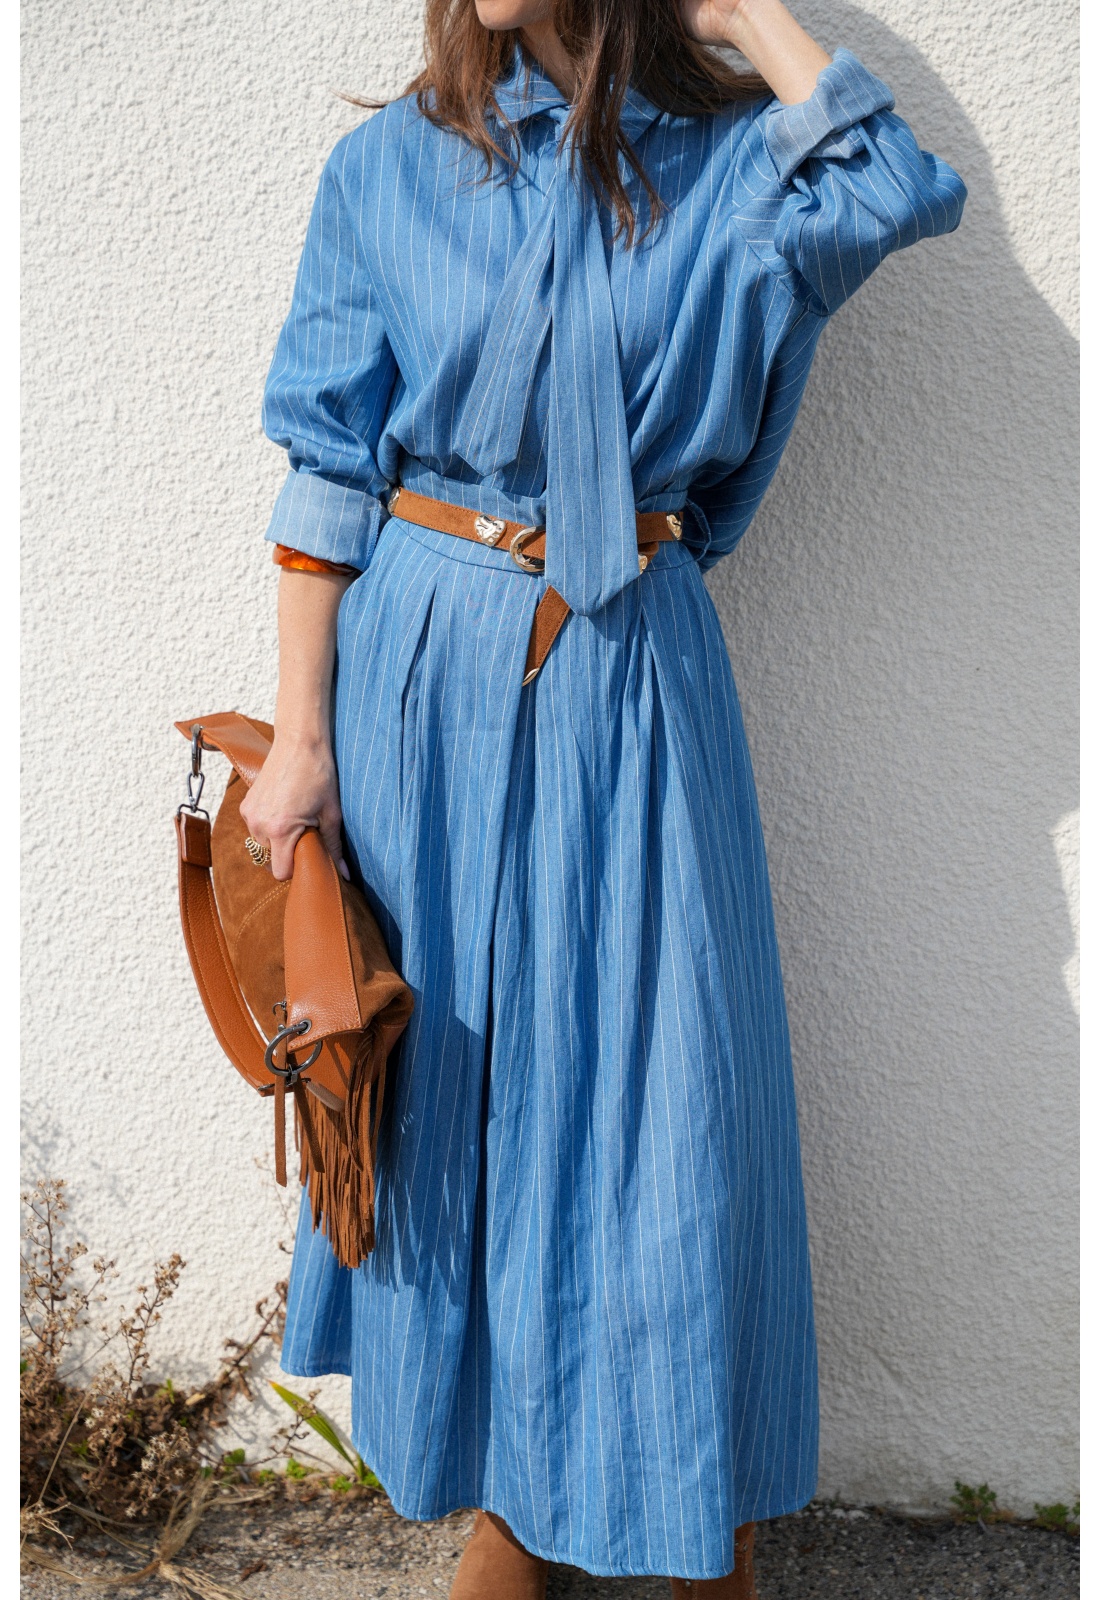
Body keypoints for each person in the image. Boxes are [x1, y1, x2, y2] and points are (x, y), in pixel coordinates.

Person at [241, 1, 965, 1593]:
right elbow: (328, 464)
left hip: (632, 659)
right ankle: (503, 1507)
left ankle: (701, 1514)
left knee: (661, 1097)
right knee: (456, 1094)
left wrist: (741, 12)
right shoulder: (390, 168)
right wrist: (302, 738)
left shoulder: (733, 167)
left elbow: (898, 191)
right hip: (421, 671)